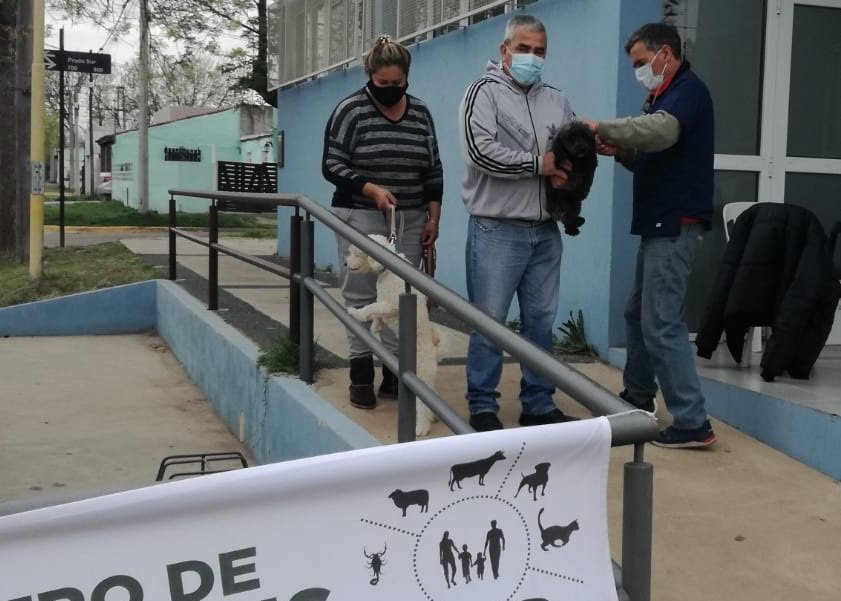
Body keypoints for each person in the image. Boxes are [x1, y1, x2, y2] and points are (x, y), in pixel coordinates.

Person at [581, 22, 716, 448]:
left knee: (661, 323)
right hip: (658, 224)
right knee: (637, 315)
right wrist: (622, 152)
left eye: (642, 62)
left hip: (675, 226)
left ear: (666, 54)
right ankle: (636, 400)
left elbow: (661, 132)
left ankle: (693, 421)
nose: (639, 70)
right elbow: (651, 158)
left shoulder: (687, 92)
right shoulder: (661, 94)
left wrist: (601, 127)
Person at [458, 14, 576, 432]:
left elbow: (571, 149)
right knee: (490, 324)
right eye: (523, 49)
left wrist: (570, 173)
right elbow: (479, 151)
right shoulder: (482, 93)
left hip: (545, 231)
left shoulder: (556, 100)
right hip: (496, 229)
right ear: (504, 50)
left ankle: (539, 404)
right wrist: (538, 165)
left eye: (539, 51)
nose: (531, 57)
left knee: (541, 324)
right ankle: (483, 406)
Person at [322, 34, 443, 410]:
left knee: (400, 298)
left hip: (406, 218)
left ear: (407, 77)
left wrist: (433, 217)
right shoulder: (351, 110)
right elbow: (331, 164)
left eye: (398, 83)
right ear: (370, 76)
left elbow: (433, 169)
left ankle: (394, 372)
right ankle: (361, 373)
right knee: (359, 295)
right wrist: (370, 187)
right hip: (360, 212)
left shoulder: (420, 113)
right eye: (383, 84)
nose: (391, 90)